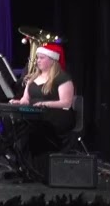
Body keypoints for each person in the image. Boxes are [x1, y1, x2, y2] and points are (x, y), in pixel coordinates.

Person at [11, 42, 75, 176]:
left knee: (31, 127)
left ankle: (36, 169)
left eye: (41, 58)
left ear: (52, 60)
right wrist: (18, 102)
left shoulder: (62, 78)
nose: (37, 61)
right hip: (35, 116)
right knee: (15, 125)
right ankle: (25, 166)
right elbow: (25, 100)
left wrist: (45, 104)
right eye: (37, 58)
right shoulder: (32, 78)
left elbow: (66, 103)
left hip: (55, 117)